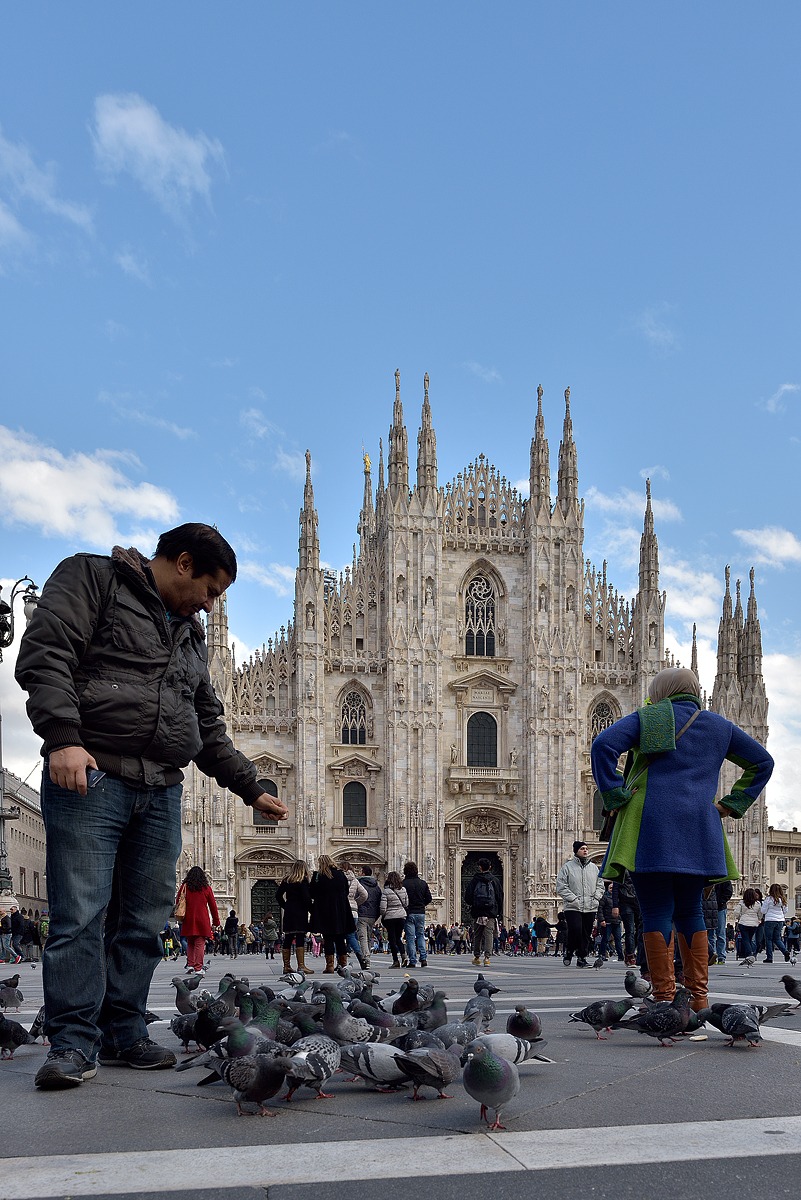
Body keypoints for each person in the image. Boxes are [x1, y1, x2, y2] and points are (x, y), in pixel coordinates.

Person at [15, 522, 289, 1090]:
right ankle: (71, 1042)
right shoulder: (93, 579)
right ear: (184, 564)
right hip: (93, 775)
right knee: (80, 916)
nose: (212, 607)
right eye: (212, 591)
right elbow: (46, 654)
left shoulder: (190, 634)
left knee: (143, 920)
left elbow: (206, 721)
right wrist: (64, 737)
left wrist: (250, 786)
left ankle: (123, 1030)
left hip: (160, 786)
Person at [592, 665, 774, 1010]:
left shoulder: (652, 716)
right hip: (699, 827)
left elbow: (603, 745)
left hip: (651, 825)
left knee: (657, 909)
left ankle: (663, 998)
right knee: (691, 911)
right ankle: (698, 1001)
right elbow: (762, 762)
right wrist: (732, 803)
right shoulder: (718, 726)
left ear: (662, 691)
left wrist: (614, 795)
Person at [555, 842, 604, 967]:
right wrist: (573, 899)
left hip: (590, 905)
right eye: (582, 849)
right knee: (575, 929)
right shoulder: (567, 867)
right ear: (576, 851)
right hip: (573, 906)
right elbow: (561, 886)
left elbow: (600, 885)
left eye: (587, 848)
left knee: (586, 933)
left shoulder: (594, 868)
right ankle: (570, 950)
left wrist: (596, 898)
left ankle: (582, 957)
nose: (585, 851)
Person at [309, 854, 353, 973]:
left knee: (328, 938)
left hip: (324, 911)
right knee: (340, 938)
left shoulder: (318, 876)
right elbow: (346, 890)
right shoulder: (340, 874)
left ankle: (329, 966)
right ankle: (343, 965)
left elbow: (311, 893)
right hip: (340, 910)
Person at [176, 866, 219, 975]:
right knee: (200, 943)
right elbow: (213, 906)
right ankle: (198, 967)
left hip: (188, 919)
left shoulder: (184, 886)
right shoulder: (206, 888)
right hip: (202, 919)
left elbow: (177, 900)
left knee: (190, 942)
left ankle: (190, 965)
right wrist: (216, 921)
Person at [276, 860, 313, 974]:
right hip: (300, 912)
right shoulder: (303, 881)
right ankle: (301, 966)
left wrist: (286, 906)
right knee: (300, 937)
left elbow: (278, 895)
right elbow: (306, 898)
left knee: (288, 937)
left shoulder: (287, 880)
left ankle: (286, 966)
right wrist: (311, 909)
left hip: (289, 912)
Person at [465, 857, 503, 967]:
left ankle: (477, 957)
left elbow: (468, 896)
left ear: (480, 867)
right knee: (489, 934)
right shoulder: (495, 880)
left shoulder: (475, 879)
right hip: (490, 912)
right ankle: (487, 958)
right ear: (490, 867)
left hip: (478, 912)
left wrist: (473, 905)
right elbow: (500, 897)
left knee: (477, 934)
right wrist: (498, 911)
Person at [402, 861, 432, 968]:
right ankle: (423, 958)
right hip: (420, 913)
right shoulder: (422, 883)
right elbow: (429, 898)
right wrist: (422, 904)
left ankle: (413, 960)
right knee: (420, 935)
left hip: (409, 913)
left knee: (410, 937)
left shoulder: (403, 884)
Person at [341, 862, 368, 967]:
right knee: (352, 936)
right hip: (353, 911)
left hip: (342, 910)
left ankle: (341, 962)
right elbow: (365, 895)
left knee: (339, 936)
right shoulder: (355, 880)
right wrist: (355, 902)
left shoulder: (339, 879)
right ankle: (361, 959)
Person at [380, 872, 409, 968]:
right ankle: (404, 955)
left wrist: (383, 915)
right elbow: (406, 904)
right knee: (398, 938)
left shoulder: (386, 891)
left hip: (390, 917)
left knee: (392, 939)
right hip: (401, 916)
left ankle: (396, 961)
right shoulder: (403, 889)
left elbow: (383, 907)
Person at [356, 866, 382, 968]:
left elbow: (355, 897)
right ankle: (367, 956)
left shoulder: (359, 884)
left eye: (359, 871)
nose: (358, 873)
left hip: (361, 913)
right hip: (372, 916)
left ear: (363, 873)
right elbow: (380, 901)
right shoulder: (377, 886)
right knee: (368, 937)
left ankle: (366, 959)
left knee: (362, 938)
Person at [761, 884, 791, 964]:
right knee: (777, 938)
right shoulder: (783, 899)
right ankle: (785, 951)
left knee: (769, 939)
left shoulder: (768, 899)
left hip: (770, 920)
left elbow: (763, 911)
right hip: (780, 920)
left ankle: (769, 957)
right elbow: (785, 911)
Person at [596, 881, 624, 961]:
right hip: (607, 921)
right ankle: (602, 954)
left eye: (613, 888)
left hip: (616, 921)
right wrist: (602, 920)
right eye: (610, 888)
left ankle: (620, 956)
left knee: (618, 939)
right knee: (605, 939)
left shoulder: (619, 898)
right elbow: (600, 909)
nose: (612, 889)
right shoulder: (604, 897)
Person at [734, 887, 762, 958]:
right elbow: (760, 914)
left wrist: (739, 917)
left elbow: (736, 912)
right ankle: (748, 953)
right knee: (749, 939)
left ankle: (749, 953)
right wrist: (758, 919)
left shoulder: (742, 903)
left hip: (743, 923)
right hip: (754, 924)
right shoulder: (758, 903)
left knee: (745, 939)